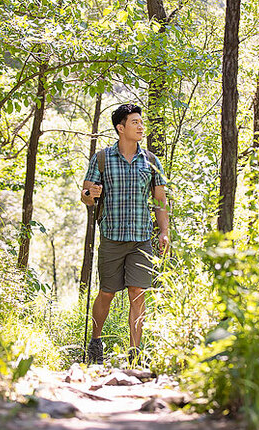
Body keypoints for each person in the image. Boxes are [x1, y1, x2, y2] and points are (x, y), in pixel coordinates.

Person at [81, 103, 170, 366]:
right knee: (107, 292)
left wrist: (164, 231)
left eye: (141, 122)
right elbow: (86, 195)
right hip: (112, 236)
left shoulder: (151, 161)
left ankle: (135, 353)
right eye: (135, 122)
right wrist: (90, 195)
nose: (141, 126)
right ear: (120, 128)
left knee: (137, 292)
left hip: (141, 238)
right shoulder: (102, 159)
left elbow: (161, 200)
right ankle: (96, 343)